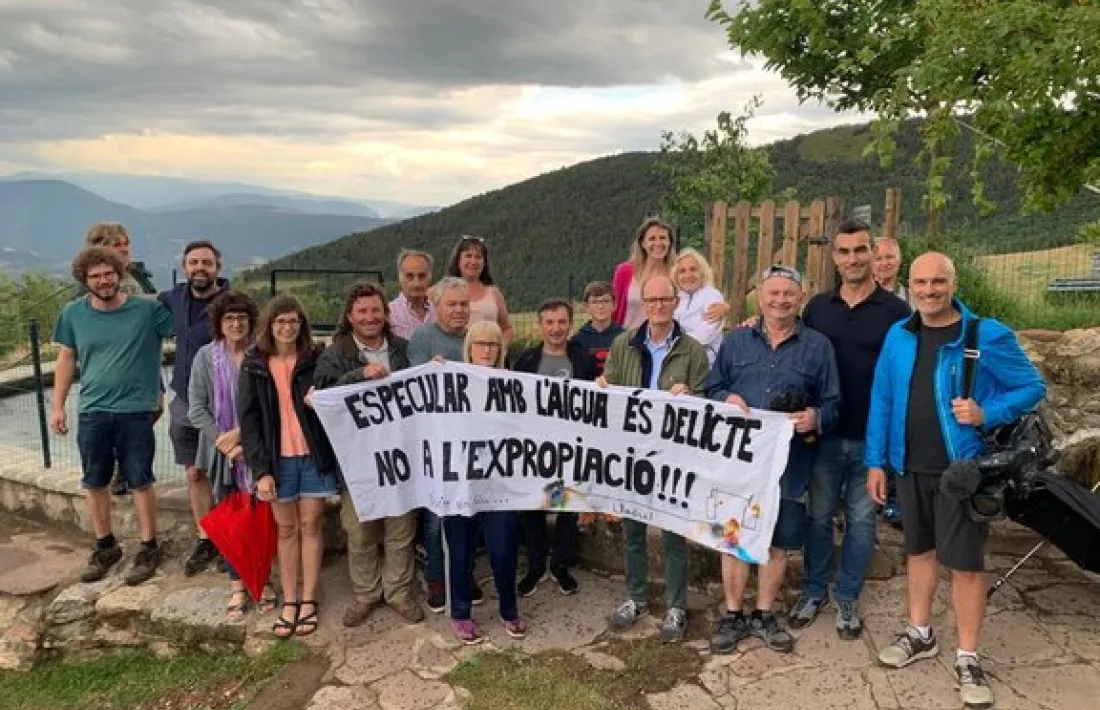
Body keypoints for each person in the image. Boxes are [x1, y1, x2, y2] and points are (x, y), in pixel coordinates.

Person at [866, 252, 1046, 710]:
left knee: (965, 564)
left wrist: (988, 412)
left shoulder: (985, 334)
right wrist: (876, 462)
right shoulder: (899, 335)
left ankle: (968, 656)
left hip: (961, 471)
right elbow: (882, 397)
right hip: (908, 464)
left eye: (937, 282)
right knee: (918, 552)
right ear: (910, 284)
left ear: (953, 282)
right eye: (920, 282)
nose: (928, 290)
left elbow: (1031, 387)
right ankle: (920, 633)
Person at [705, 265, 841, 655]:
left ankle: (764, 613)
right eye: (773, 293)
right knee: (732, 539)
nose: (780, 300)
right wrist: (724, 399)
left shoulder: (818, 346)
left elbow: (834, 403)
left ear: (800, 297)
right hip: (739, 462)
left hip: (790, 463)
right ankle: (733, 614)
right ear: (759, 297)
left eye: (788, 293)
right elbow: (713, 387)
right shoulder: (736, 342)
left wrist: (815, 417)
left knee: (779, 542)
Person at [789, 220, 911, 640]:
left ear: (874, 253)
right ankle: (812, 590)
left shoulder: (897, 313)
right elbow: (793, 350)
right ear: (834, 257)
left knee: (861, 522)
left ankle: (847, 596)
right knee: (818, 517)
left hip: (871, 440)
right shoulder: (818, 308)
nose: (853, 259)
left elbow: (906, 374)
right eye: (844, 252)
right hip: (823, 436)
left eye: (861, 250)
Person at [50, 247, 174, 586]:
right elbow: (66, 359)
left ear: (119, 274)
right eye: (95, 276)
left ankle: (149, 546)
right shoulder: (73, 313)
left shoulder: (147, 312)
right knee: (94, 481)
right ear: (85, 279)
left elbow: (187, 328)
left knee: (140, 479)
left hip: (135, 410)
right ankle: (106, 546)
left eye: (109, 273)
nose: (103, 280)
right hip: (92, 410)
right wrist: (58, 406)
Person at [600, 274, 710, 644]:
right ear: (643, 304)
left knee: (672, 534)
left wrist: (690, 393)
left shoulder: (692, 351)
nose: (659, 306)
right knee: (632, 531)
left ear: (675, 302)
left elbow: (707, 401)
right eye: (652, 300)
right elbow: (611, 388)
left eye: (666, 299)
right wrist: (601, 386)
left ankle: (677, 604)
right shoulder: (623, 344)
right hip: (632, 454)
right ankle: (636, 597)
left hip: (673, 457)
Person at [314, 282, 424, 627]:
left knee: (401, 528)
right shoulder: (334, 354)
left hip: (400, 457)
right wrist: (359, 374)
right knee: (359, 531)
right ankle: (365, 594)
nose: (370, 317)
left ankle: (398, 592)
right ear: (350, 316)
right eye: (362, 311)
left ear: (386, 313)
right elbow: (324, 395)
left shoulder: (405, 350)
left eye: (376, 310)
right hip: (357, 460)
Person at [239, 296, 338, 639]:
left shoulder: (315, 359)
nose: (287, 327)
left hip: (312, 455)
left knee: (311, 524)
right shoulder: (254, 364)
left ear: (301, 325)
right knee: (286, 530)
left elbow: (335, 394)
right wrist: (260, 470)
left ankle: (309, 598)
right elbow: (249, 422)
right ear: (269, 325)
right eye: (281, 321)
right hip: (276, 460)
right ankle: (290, 600)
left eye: (294, 321)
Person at [187, 290, 278, 619]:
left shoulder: (262, 355)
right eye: (229, 318)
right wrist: (225, 443)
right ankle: (237, 584)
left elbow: (271, 404)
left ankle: (263, 582)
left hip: (258, 447)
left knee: (260, 518)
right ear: (219, 324)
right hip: (221, 454)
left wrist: (247, 442)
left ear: (251, 322)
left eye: (242, 318)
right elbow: (197, 409)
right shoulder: (204, 358)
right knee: (230, 519)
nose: (236, 323)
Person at [444, 319, 526, 644]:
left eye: (493, 344)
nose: (487, 350)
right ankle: (461, 613)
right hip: (460, 482)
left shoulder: (514, 384)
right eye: (480, 343)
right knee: (461, 549)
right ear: (469, 348)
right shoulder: (450, 382)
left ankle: (509, 609)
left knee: (504, 549)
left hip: (500, 481)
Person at [407, 277, 483, 613]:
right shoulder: (422, 339)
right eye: (451, 304)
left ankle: (464, 574)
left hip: (473, 440)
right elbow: (414, 389)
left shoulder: (477, 335)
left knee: (469, 513)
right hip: (437, 444)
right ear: (436, 306)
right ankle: (437, 577)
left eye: (464, 304)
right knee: (436, 516)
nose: (459, 310)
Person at [512, 298, 598, 597]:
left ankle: (561, 564)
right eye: (550, 322)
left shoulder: (584, 361)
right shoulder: (525, 361)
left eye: (561, 322)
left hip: (571, 447)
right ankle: (535, 565)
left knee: (566, 506)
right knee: (533, 506)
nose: (556, 328)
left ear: (570, 324)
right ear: (541, 326)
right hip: (534, 447)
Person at [159, 240, 229, 577]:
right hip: (185, 402)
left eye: (206, 262)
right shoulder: (174, 298)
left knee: (229, 474)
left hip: (223, 404)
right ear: (185, 267)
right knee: (194, 473)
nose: (199, 268)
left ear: (218, 266)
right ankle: (206, 538)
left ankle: (230, 537)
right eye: (193, 263)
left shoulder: (232, 304)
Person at [83, 222, 159, 498]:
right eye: (117, 245)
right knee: (121, 416)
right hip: (117, 365)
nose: (124, 249)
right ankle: (120, 467)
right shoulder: (97, 282)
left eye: (126, 244)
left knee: (152, 410)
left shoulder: (137, 274)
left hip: (146, 360)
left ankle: (128, 460)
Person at [445, 235, 513, 345]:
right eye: (468, 256)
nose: (473, 261)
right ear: (458, 260)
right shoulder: (441, 291)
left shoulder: (494, 293)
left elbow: (507, 329)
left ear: (484, 262)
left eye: (478, 257)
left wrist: (500, 349)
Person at [672, 248, 727, 364]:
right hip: (677, 360)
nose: (688, 275)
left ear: (702, 272)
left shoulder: (712, 296)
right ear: (676, 276)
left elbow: (706, 334)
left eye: (693, 269)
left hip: (706, 362)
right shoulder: (675, 298)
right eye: (682, 271)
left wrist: (675, 345)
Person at [570, 281, 623, 378]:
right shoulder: (577, 341)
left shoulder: (624, 337)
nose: (600, 307)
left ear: (614, 305)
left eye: (606, 301)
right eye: (594, 302)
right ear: (587, 307)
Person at [388, 249, 435, 340]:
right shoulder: (389, 314)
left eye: (422, 276)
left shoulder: (438, 312)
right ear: (400, 278)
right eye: (410, 276)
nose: (416, 283)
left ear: (430, 277)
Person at [874, 237, 910, 304]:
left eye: (889, 257)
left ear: (899, 259)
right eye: (878, 259)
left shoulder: (913, 299)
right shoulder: (858, 297)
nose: (884, 263)